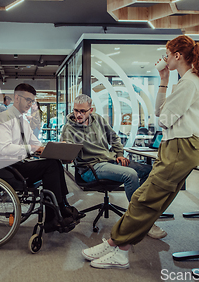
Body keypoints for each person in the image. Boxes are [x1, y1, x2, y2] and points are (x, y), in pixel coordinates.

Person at [82, 35, 199, 269]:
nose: (165, 58)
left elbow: (164, 120)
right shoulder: (185, 81)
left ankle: (117, 246)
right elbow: (159, 111)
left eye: (168, 54)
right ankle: (116, 244)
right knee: (150, 202)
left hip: (181, 147)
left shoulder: (189, 82)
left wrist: (165, 110)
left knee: (143, 200)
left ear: (177, 56)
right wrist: (163, 78)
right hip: (177, 147)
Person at [61, 94, 162, 238]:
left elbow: (114, 138)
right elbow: (66, 150)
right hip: (91, 167)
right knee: (130, 174)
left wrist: (119, 153)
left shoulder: (99, 121)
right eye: (76, 110)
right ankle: (141, 222)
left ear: (91, 110)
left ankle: (143, 210)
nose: (78, 114)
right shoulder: (69, 128)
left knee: (149, 171)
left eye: (82, 111)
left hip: (110, 160)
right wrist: (67, 155)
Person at [0, 83, 82, 233]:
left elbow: (36, 144)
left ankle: (62, 206)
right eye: (28, 100)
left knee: (55, 162)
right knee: (50, 166)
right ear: (17, 98)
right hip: (4, 166)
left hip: (18, 163)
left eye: (32, 101)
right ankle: (54, 216)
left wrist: (57, 150)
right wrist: (31, 148)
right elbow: (4, 148)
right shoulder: (4, 118)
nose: (30, 104)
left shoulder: (23, 120)